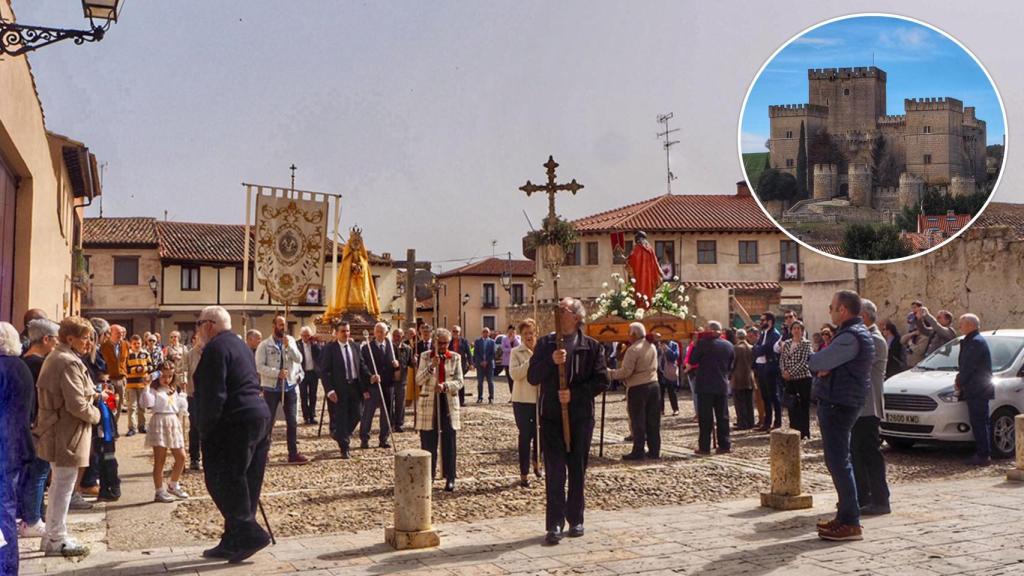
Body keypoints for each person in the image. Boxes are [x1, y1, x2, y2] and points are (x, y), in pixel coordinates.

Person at [193, 306, 272, 563]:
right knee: (246, 482)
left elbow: (214, 394)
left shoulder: (215, 349)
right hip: (258, 416)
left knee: (221, 480)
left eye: (198, 325)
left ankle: (249, 533)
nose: (197, 331)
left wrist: (204, 429)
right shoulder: (239, 345)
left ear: (208, 325)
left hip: (234, 421)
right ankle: (233, 540)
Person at [528, 298, 609, 545]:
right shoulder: (545, 344)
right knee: (554, 471)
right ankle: (554, 523)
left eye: (562, 310)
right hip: (552, 416)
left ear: (576, 316)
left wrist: (575, 394)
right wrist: (550, 361)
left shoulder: (592, 347)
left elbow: (601, 380)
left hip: (581, 417)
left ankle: (576, 519)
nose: (557, 314)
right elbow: (533, 376)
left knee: (576, 469)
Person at [810, 290, 874, 542]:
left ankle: (851, 522)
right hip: (841, 400)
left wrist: (821, 364)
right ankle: (845, 516)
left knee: (839, 461)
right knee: (837, 460)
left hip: (840, 403)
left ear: (843, 310)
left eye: (832, 307)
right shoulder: (850, 334)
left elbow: (817, 362)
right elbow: (824, 365)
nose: (830, 311)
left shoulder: (850, 337)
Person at [35, 316, 102, 557]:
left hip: (59, 430)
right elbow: (76, 405)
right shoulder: (67, 362)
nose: (88, 342)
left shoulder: (60, 357)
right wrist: (97, 414)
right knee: (63, 485)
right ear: (70, 338)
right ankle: (56, 538)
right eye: (85, 337)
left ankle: (52, 535)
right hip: (66, 431)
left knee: (58, 486)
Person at [17, 319, 59, 539]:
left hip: (25, 426)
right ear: (46, 339)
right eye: (55, 340)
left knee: (31, 474)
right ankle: (32, 519)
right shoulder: (39, 364)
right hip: (37, 427)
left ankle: (29, 516)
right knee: (39, 473)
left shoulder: (22, 360)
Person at [1, 322, 35, 572]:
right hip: (17, 445)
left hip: (3, 447)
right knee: (7, 509)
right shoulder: (21, 367)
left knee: (2, 511)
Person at [852, 300, 891, 515]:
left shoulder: (874, 340)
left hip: (868, 407)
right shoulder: (865, 337)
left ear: (864, 316)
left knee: (870, 455)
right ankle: (863, 497)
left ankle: (880, 499)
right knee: (858, 454)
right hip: (860, 406)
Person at [255, 316, 308, 464]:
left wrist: (289, 348)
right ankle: (263, 452)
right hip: (271, 389)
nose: (283, 328)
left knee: (292, 421)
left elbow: (299, 359)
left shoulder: (290, 341)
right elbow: (259, 366)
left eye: (284, 325)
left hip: (289, 387)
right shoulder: (265, 345)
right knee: (269, 421)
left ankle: (293, 453)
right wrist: (276, 372)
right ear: (274, 326)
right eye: (280, 325)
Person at [415, 328, 463, 491]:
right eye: (440, 343)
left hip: (447, 401)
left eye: (446, 343)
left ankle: (450, 476)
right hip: (429, 403)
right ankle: (428, 476)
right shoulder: (425, 356)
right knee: (428, 441)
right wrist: (430, 367)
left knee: (449, 440)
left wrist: (445, 386)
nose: (443, 346)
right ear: (435, 342)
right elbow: (418, 379)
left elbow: (460, 381)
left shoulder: (455, 358)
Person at [608, 322, 661, 460]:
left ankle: (638, 451)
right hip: (654, 385)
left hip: (638, 388)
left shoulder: (633, 350)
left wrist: (610, 373)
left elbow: (626, 372)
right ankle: (654, 450)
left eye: (629, 333)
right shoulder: (651, 346)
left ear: (634, 335)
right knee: (653, 420)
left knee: (638, 420)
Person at [141, 361, 190, 502]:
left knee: (181, 456)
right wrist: (147, 386)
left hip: (173, 422)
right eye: (164, 376)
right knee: (160, 460)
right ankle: (159, 490)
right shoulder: (154, 390)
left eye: (169, 376)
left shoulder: (174, 390)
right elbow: (147, 404)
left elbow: (180, 406)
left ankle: (173, 484)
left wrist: (183, 397)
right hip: (160, 422)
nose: (166, 379)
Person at [320, 322, 368, 459]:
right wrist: (329, 390)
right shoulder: (330, 349)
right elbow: (324, 372)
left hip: (354, 387)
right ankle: (344, 447)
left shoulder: (355, 346)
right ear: (336, 333)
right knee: (341, 418)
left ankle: (341, 434)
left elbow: (362, 366)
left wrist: (370, 377)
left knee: (358, 414)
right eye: (342, 331)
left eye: (347, 331)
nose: (346, 334)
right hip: (339, 389)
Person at [690, 322, 734, 455]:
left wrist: (696, 343)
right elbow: (731, 365)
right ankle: (725, 445)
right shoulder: (729, 345)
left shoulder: (703, 344)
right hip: (721, 384)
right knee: (723, 417)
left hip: (705, 386)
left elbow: (692, 360)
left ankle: (704, 447)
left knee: (705, 418)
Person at [956, 313, 993, 466]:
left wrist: (959, 381)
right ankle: (983, 452)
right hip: (977, 388)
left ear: (970, 325)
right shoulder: (971, 341)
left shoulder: (975, 342)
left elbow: (968, 366)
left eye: (962, 324)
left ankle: (983, 455)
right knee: (980, 421)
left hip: (978, 389)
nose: (959, 327)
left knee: (979, 422)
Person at [509, 319, 540, 486]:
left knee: (539, 435)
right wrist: (531, 362)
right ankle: (524, 472)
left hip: (539, 399)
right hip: (522, 400)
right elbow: (515, 374)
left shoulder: (541, 351)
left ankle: (537, 463)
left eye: (532, 333)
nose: (529, 336)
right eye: (526, 333)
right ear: (521, 335)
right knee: (525, 436)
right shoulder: (516, 352)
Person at [360, 322, 399, 449]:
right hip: (373, 385)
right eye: (377, 331)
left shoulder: (392, 347)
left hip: (388, 385)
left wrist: (396, 365)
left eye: (382, 332)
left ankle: (384, 438)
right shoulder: (367, 348)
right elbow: (362, 367)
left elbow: (399, 365)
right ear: (374, 333)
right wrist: (369, 379)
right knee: (368, 413)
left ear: (386, 333)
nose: (379, 334)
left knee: (387, 413)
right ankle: (364, 438)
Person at [780, 321, 813, 439]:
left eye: (799, 328)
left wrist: (791, 372)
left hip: (802, 378)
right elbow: (782, 359)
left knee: (803, 405)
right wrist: (784, 371)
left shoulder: (806, 344)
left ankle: (804, 431)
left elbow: (804, 361)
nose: (796, 330)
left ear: (802, 330)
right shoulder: (787, 343)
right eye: (794, 328)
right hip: (789, 379)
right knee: (791, 405)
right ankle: (793, 429)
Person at [753, 313, 782, 431]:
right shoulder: (763, 333)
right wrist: (758, 349)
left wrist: (758, 349)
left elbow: (765, 349)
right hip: (762, 367)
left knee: (773, 395)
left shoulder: (775, 334)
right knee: (765, 396)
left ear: (770, 321)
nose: (761, 322)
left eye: (763, 320)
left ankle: (777, 422)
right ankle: (767, 422)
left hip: (771, 367)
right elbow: (756, 348)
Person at [99, 324, 129, 432]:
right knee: (109, 403)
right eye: (117, 333)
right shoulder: (103, 346)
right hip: (108, 379)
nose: (120, 335)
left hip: (121, 378)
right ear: (111, 334)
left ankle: (114, 426)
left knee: (120, 404)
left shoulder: (125, 345)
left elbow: (127, 361)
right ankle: (108, 425)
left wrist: (126, 375)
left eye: (121, 333)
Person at [124, 335, 153, 436]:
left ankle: (142, 426)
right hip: (131, 384)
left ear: (142, 343)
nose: (137, 345)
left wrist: (145, 369)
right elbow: (124, 369)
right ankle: (132, 428)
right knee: (131, 407)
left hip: (142, 383)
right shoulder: (127, 354)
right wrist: (135, 370)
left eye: (139, 343)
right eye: (134, 344)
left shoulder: (145, 354)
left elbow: (151, 366)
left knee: (142, 406)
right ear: (131, 344)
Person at [184, 336, 204, 470]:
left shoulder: (212, 352)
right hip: (194, 394)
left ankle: (210, 457)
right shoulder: (190, 354)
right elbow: (183, 370)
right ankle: (194, 458)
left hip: (211, 395)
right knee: (195, 426)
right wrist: (183, 380)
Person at [297, 326, 323, 425]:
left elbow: (320, 354)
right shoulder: (297, 344)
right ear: (301, 335)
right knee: (303, 396)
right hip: (302, 373)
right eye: (304, 335)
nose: (306, 337)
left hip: (313, 373)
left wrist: (315, 343)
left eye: (308, 335)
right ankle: (305, 416)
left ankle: (312, 415)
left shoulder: (314, 344)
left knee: (313, 395)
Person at [731, 329, 756, 430]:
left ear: (737, 337)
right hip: (750, 377)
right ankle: (750, 422)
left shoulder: (735, 348)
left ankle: (742, 422)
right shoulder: (751, 347)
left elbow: (732, 364)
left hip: (738, 378)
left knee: (739, 402)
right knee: (749, 401)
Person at [392, 328, 414, 432]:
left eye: (398, 336)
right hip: (390, 380)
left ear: (402, 337)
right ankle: (390, 423)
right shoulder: (388, 347)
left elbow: (410, 364)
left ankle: (399, 424)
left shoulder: (408, 349)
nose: (396, 338)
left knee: (400, 403)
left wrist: (414, 361)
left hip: (402, 380)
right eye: (395, 335)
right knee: (390, 403)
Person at [746, 328, 766, 429]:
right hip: (756, 373)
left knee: (761, 398)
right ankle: (761, 418)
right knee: (757, 398)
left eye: (751, 336)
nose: (749, 339)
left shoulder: (759, 346)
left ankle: (763, 418)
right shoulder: (754, 346)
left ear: (757, 335)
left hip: (761, 374)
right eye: (748, 337)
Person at [657, 335, 680, 416]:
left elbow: (674, 357)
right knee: (660, 392)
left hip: (669, 371)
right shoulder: (657, 344)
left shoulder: (674, 345)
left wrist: (667, 349)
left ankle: (675, 409)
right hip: (659, 371)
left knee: (672, 392)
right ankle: (661, 410)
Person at [450, 326, 472, 406]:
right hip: (451, 364)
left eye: (457, 331)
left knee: (461, 382)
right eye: (454, 331)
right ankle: (452, 400)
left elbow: (468, 353)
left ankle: (461, 401)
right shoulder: (449, 341)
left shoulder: (464, 341)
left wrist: (471, 363)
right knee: (451, 382)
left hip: (461, 364)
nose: (455, 333)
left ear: (460, 332)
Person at [474, 327, 496, 403]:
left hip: (489, 365)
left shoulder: (492, 342)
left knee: (490, 381)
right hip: (480, 365)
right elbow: (475, 353)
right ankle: (480, 397)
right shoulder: (477, 341)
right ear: (481, 333)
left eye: (487, 332)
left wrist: (486, 361)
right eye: (484, 332)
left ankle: (491, 398)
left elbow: (493, 354)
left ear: (489, 333)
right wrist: (480, 362)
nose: (485, 333)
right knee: (480, 382)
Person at [500, 325, 521, 394]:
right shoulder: (504, 339)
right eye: (509, 332)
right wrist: (512, 349)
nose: (510, 333)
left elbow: (519, 346)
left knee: (516, 379)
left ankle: (517, 394)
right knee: (509, 380)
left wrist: (514, 339)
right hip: (507, 362)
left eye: (512, 332)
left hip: (516, 362)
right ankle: (512, 394)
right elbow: (503, 349)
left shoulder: (518, 338)